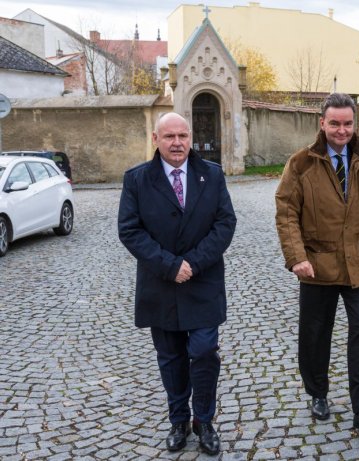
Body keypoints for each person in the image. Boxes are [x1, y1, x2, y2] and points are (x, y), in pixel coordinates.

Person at [118, 112, 237, 455]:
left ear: (190, 138)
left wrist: (194, 263)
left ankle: (204, 419)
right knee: (170, 357)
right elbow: (129, 230)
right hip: (161, 285)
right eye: (169, 136)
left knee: (203, 352)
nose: (177, 142)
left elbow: (225, 223)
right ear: (156, 139)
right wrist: (170, 266)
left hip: (203, 283)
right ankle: (178, 420)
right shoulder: (137, 179)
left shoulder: (211, 175)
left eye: (182, 135)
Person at [275, 93, 359, 435]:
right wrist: (296, 257)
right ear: (322, 123)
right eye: (335, 123)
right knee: (315, 334)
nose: (342, 130)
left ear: (355, 124)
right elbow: (286, 211)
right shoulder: (301, 163)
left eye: (348, 124)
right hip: (316, 266)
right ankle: (317, 392)